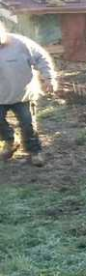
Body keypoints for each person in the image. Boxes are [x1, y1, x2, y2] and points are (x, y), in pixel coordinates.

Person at [0, 21, 58, 167]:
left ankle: (35, 152)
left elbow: (42, 58)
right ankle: (10, 140)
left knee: (27, 125)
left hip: (23, 94)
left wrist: (49, 79)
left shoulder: (21, 44)